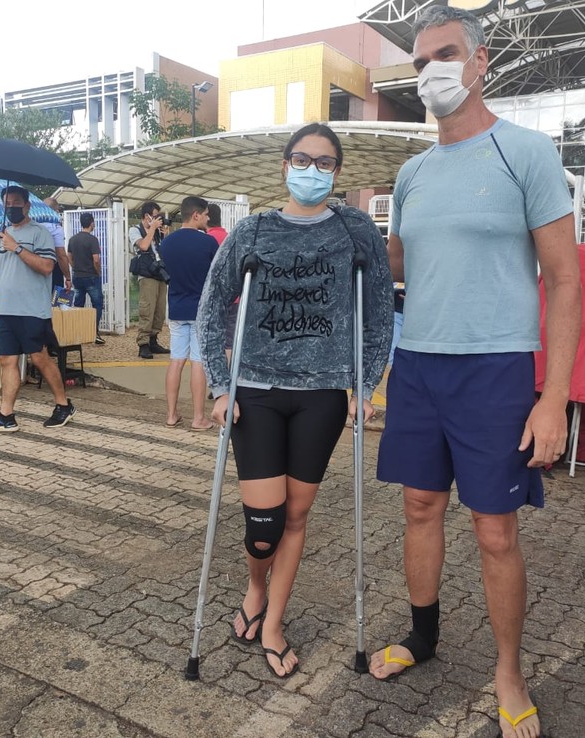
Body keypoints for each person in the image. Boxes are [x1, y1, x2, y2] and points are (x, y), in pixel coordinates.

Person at [369, 8, 581, 738]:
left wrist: (552, 398)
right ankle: (423, 638)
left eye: (446, 54)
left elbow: (565, 280)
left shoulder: (525, 152)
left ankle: (508, 670)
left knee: (495, 530)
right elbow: (398, 264)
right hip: (419, 365)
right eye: (421, 61)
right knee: (419, 510)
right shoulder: (412, 172)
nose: (432, 71)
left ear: (480, 61)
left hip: (495, 369)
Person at [197, 122, 394, 679]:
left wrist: (365, 385)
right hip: (256, 389)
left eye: (326, 162)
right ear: (285, 166)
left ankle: (274, 621)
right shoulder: (254, 230)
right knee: (264, 524)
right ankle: (254, 586)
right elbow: (214, 306)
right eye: (303, 159)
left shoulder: (357, 231)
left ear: (337, 171)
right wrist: (219, 382)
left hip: (323, 394)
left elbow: (378, 313)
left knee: (298, 514)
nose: (313, 170)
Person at [0, 186, 75, 433]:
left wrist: (17, 247)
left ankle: (63, 405)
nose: (12, 208)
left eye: (16, 203)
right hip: (8, 310)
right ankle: (6, 415)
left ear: (27, 206)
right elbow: (5, 275)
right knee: (7, 360)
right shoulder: (3, 235)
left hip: (32, 310)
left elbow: (47, 267)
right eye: (7, 204)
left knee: (39, 357)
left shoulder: (40, 233)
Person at [159, 196, 217, 431]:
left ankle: (172, 415)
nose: (208, 217)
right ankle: (198, 418)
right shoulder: (209, 243)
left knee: (176, 360)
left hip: (176, 307)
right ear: (196, 215)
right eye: (205, 214)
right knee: (198, 363)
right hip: (199, 310)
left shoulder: (167, 243)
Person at [129, 201, 170, 359]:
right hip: (147, 274)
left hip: (160, 273)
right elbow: (144, 246)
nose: (158, 220)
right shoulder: (134, 230)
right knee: (147, 308)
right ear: (147, 216)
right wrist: (152, 229)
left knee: (159, 310)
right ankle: (143, 344)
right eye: (155, 217)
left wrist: (165, 234)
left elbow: (165, 250)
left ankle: (153, 340)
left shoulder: (158, 232)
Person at [67, 212, 106, 344]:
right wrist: (98, 271)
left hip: (77, 276)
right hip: (91, 277)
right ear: (91, 223)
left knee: (78, 305)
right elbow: (96, 260)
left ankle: (78, 332)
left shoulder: (72, 239)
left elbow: (69, 256)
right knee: (97, 304)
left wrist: (75, 266)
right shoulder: (92, 240)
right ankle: (94, 332)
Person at [42, 197, 72, 294]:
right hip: (53, 269)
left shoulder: (32, 225)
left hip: (33, 270)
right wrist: (67, 277)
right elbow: (61, 255)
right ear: (55, 210)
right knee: (55, 304)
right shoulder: (55, 228)